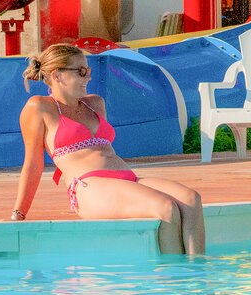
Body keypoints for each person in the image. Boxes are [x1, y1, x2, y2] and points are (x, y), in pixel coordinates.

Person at [11, 43, 206, 255]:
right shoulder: (39, 107)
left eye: (88, 71)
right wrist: (19, 214)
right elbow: (33, 164)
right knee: (165, 208)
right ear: (57, 75)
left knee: (191, 200)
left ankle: (196, 272)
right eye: (81, 72)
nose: (88, 77)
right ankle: (175, 274)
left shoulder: (95, 104)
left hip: (127, 179)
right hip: (89, 188)